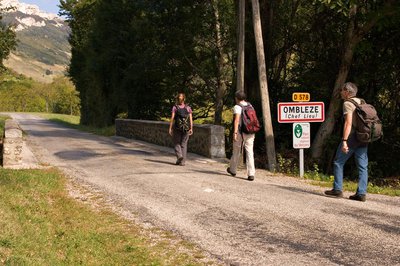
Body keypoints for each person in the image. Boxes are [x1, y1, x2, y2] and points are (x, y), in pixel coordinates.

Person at [325, 82, 369, 202]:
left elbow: (348, 123)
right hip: (364, 137)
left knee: (338, 162)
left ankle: (337, 189)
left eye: (342, 90)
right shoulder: (362, 102)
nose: (340, 92)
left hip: (352, 137)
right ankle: (361, 193)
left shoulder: (348, 103)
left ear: (347, 92)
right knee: (363, 166)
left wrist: (344, 140)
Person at [227, 91, 256, 181]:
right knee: (250, 152)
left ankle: (233, 170)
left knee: (236, 151)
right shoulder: (250, 105)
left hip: (240, 132)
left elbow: (237, 121)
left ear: (237, 98)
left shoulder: (237, 107)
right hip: (251, 131)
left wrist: (235, 133)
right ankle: (251, 174)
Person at [168, 92, 193, 166]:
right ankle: (183, 162)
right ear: (184, 99)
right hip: (186, 128)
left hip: (177, 128)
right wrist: (191, 128)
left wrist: (170, 128)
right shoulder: (188, 108)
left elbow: (172, 118)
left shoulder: (175, 107)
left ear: (177, 99)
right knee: (184, 144)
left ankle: (179, 156)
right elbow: (191, 119)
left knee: (176, 143)